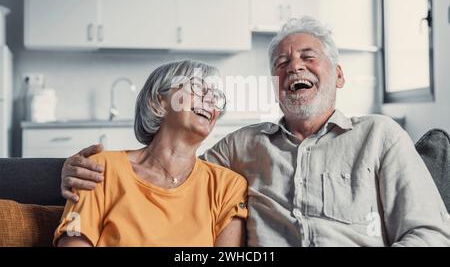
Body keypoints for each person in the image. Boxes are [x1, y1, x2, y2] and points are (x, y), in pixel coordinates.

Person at [60, 17, 450, 246]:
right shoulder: (241, 148)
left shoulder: (380, 136)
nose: (293, 67)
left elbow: (430, 234)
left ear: (340, 75)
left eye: (307, 57)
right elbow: (169, 168)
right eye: (281, 63)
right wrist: (68, 169)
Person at [54, 60, 248, 247]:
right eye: (197, 87)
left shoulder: (227, 186)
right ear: (158, 101)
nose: (211, 100)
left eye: (216, 96)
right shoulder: (99, 169)